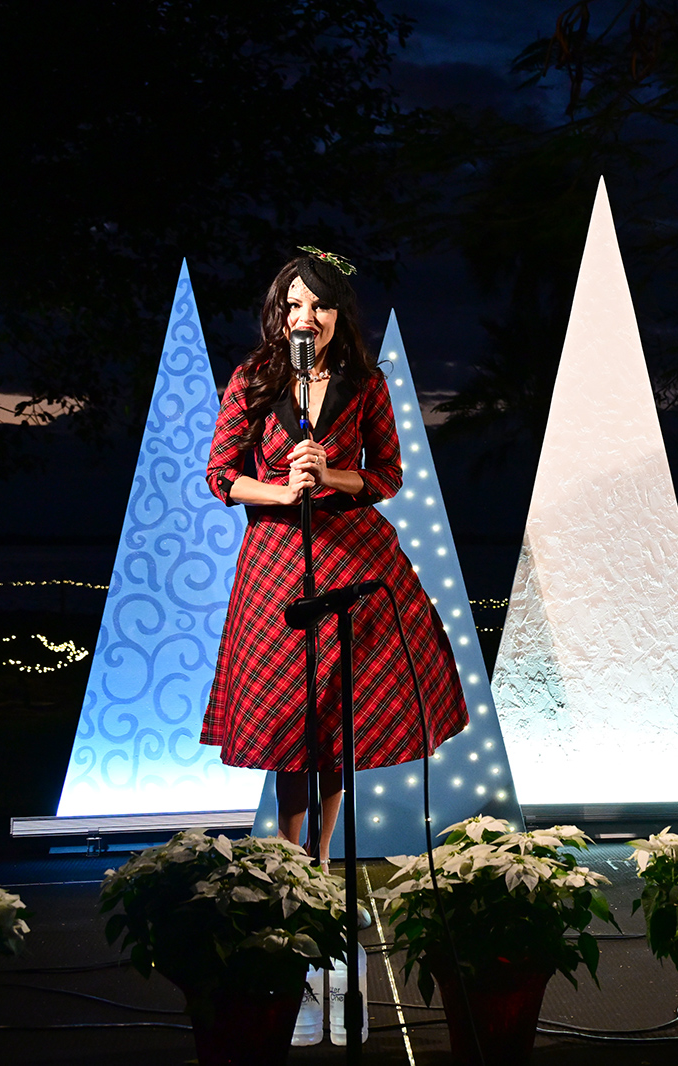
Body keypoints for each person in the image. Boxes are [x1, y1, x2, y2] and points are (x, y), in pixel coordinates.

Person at [202, 247, 468, 861]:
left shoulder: (366, 383)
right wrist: (281, 490)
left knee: (334, 714)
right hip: (276, 561)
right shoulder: (253, 379)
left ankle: (321, 860)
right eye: (295, 304)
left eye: (320, 306)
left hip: (352, 557)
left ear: (338, 314)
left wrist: (332, 476)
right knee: (288, 714)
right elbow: (220, 475)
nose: (307, 318)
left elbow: (387, 475)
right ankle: (287, 861)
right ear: (279, 311)